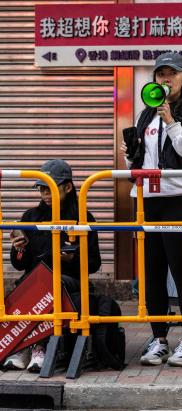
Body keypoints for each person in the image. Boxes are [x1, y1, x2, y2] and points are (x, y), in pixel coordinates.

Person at [120, 52, 182, 367]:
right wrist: (129, 153)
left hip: (181, 199)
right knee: (152, 272)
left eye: (171, 74)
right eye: (160, 74)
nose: (165, 79)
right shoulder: (146, 113)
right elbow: (139, 162)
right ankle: (159, 338)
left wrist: (172, 123)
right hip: (147, 200)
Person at [3, 159, 101, 372]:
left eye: (50, 189)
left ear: (67, 187)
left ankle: (37, 346)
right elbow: (19, 265)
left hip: (71, 282)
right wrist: (19, 249)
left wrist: (72, 259)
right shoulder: (30, 217)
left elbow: (94, 263)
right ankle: (21, 348)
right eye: (41, 189)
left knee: (48, 285)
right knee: (25, 287)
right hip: (33, 283)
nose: (45, 194)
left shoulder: (83, 217)